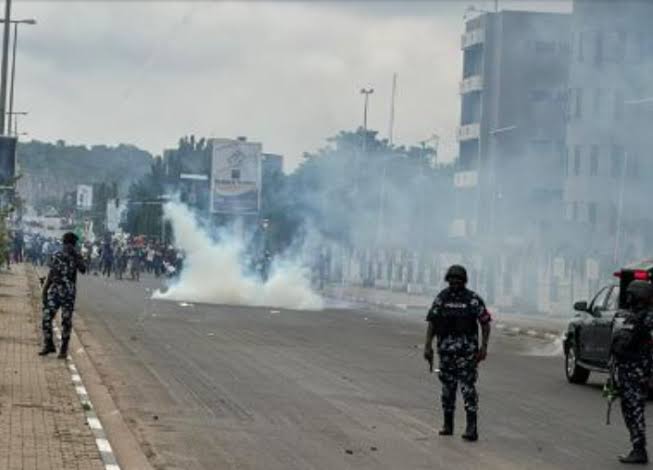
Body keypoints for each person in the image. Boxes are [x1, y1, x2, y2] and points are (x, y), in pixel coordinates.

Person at [424, 264, 491, 442]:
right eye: (452, 280)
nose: (454, 283)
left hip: (466, 355)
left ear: (464, 281)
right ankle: (448, 424)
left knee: (468, 388)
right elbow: (432, 321)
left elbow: (485, 323)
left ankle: (471, 427)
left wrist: (484, 347)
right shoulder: (442, 298)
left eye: (458, 280)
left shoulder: (473, 299)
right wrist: (427, 346)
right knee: (447, 389)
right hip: (445, 353)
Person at [611, 280, 653, 464]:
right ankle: (637, 448)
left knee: (634, 410)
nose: (628, 298)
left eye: (631, 294)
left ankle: (639, 450)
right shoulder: (634, 316)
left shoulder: (648, 318)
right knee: (629, 409)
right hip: (628, 370)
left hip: (637, 371)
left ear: (640, 296)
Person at [39, 232, 87, 358]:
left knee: (66, 321)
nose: (68, 247)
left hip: (69, 293)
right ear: (65, 243)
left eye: (71, 245)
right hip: (55, 291)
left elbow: (83, 269)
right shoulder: (57, 255)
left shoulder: (77, 256)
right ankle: (48, 344)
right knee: (46, 317)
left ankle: (64, 349)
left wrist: (76, 256)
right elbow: (51, 273)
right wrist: (44, 291)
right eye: (68, 244)